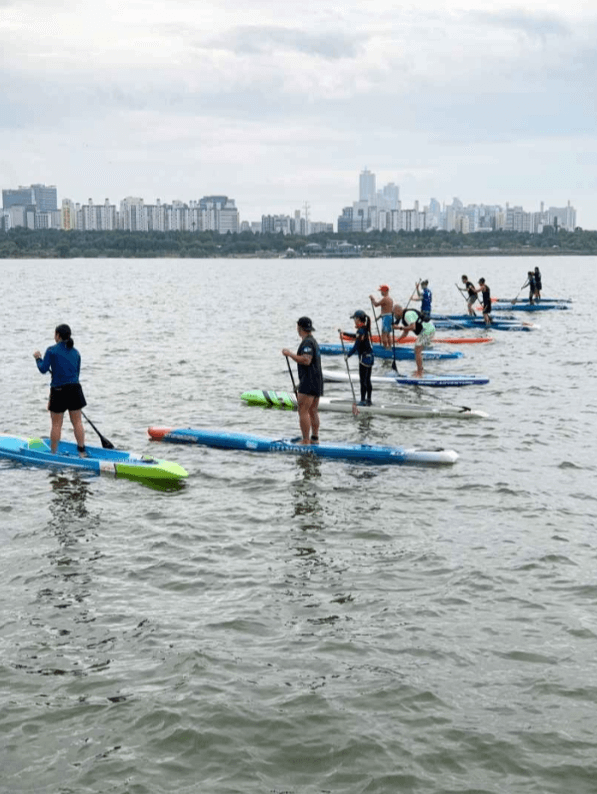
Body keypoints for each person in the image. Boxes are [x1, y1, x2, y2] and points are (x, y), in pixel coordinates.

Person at [33, 324, 87, 455]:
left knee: (56, 424)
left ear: (57, 335)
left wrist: (38, 358)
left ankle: (53, 453)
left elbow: (43, 369)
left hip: (58, 391)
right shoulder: (76, 352)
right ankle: (81, 451)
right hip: (75, 389)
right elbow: (76, 374)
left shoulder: (51, 350)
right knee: (78, 422)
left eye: (54, 334)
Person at [282, 317, 323, 445]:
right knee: (313, 410)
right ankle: (314, 438)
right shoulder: (313, 341)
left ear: (300, 329)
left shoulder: (307, 343)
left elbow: (306, 360)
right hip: (317, 381)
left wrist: (290, 354)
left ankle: (305, 440)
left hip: (309, 382)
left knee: (303, 410)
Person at [393, 304, 436, 377]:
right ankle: (420, 369)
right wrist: (398, 340)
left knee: (417, 349)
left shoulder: (407, 315)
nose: (394, 316)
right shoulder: (404, 317)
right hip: (427, 329)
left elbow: (413, 327)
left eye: (394, 313)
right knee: (418, 349)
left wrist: (399, 328)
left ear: (398, 311)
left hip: (427, 329)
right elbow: (406, 332)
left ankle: (420, 372)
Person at [345, 310, 374, 406]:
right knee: (368, 379)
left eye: (354, 319)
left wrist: (347, 356)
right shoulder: (365, 328)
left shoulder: (361, 330)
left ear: (358, 319)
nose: (354, 320)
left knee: (363, 380)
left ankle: (362, 401)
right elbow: (356, 336)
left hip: (364, 358)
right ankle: (369, 400)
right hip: (370, 357)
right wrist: (345, 334)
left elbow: (356, 346)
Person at [369, 284, 393, 348]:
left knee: (384, 334)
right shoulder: (390, 299)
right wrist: (379, 317)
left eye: (381, 291)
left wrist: (372, 299)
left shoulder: (385, 299)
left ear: (385, 291)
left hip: (386, 318)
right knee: (388, 334)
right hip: (389, 317)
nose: (381, 292)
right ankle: (390, 346)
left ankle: (385, 348)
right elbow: (387, 310)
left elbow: (376, 304)